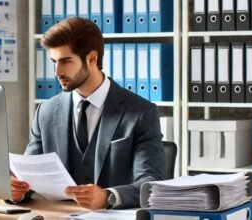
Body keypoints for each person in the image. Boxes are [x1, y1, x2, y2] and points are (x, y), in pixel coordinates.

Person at [10, 17, 166, 210]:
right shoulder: (46, 112)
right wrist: (18, 191)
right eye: (54, 62)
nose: (57, 72)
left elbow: (150, 184)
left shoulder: (141, 112)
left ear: (92, 58)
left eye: (66, 61)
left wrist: (108, 197)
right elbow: (28, 175)